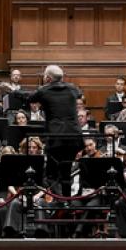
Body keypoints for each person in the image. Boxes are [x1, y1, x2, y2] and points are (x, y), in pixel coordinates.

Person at [28, 65, 82, 194]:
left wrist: (13, 91)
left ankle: (59, 202)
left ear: (48, 78)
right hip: (74, 137)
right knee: (66, 172)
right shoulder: (73, 88)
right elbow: (79, 94)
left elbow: (29, 98)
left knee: (51, 174)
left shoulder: (44, 90)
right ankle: (66, 202)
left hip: (57, 138)